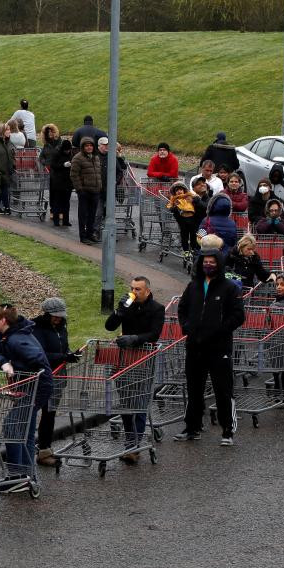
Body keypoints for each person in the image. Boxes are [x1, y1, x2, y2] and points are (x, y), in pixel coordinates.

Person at [175, 237, 245, 444]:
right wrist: (187, 327)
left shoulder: (230, 288)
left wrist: (220, 330)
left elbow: (238, 316)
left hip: (218, 348)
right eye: (205, 261)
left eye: (212, 261)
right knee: (194, 389)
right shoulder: (193, 286)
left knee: (222, 389)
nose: (208, 264)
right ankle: (192, 427)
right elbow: (182, 309)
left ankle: (227, 431)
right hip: (194, 347)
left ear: (219, 263)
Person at [0, 304, 52, 492]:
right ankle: (26, 475)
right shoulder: (4, 336)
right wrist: (4, 363)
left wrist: (14, 365)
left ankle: (18, 475)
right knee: (24, 429)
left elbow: (37, 359)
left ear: (4, 320)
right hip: (27, 386)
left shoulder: (18, 339)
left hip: (37, 387)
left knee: (12, 426)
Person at [104, 276, 165, 461]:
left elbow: (154, 334)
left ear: (147, 291)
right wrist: (119, 311)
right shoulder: (127, 306)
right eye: (132, 288)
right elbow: (109, 326)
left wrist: (135, 338)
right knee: (126, 402)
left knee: (138, 402)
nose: (134, 292)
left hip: (144, 358)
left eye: (138, 289)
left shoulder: (156, 308)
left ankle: (135, 445)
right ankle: (130, 440)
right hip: (125, 359)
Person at [30, 298, 76, 466]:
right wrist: (64, 357)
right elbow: (41, 355)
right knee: (39, 413)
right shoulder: (36, 329)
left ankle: (45, 449)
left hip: (58, 377)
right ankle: (40, 449)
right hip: (42, 377)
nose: (58, 319)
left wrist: (70, 354)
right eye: (54, 316)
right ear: (46, 314)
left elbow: (64, 348)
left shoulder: (62, 327)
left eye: (60, 316)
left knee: (50, 413)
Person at [71, 136, 103, 244]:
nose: (89, 148)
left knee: (92, 215)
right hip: (84, 191)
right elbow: (74, 175)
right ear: (83, 147)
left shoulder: (96, 157)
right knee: (83, 215)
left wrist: (100, 186)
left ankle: (90, 234)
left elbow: (98, 173)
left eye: (91, 145)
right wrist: (79, 189)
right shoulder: (77, 158)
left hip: (95, 190)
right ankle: (83, 236)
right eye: (87, 146)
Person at [168, 181, 203, 254]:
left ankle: (194, 249)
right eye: (177, 190)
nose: (179, 191)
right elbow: (169, 205)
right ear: (174, 192)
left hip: (192, 218)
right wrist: (172, 208)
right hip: (182, 219)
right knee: (184, 236)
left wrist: (195, 199)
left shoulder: (189, 196)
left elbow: (196, 197)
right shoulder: (174, 199)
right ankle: (186, 251)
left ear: (184, 190)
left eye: (181, 189)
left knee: (193, 235)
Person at [48, 137, 74, 227]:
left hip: (67, 182)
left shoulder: (70, 154)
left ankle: (66, 220)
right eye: (66, 150)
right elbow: (53, 165)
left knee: (66, 202)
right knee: (57, 202)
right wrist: (63, 165)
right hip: (58, 182)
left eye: (68, 150)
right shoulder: (56, 154)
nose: (67, 151)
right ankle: (56, 220)